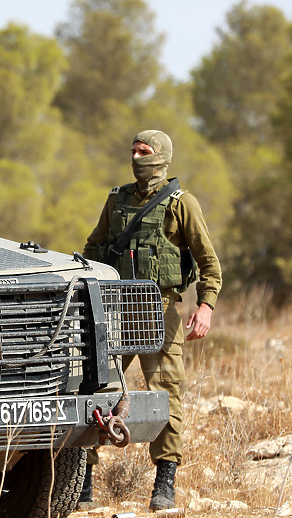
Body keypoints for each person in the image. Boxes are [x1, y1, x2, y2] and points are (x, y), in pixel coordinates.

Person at [79, 129, 222, 511]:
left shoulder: (181, 203)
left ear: (162, 157)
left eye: (145, 151)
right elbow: (93, 247)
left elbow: (209, 263)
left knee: (167, 392)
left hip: (158, 310)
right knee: (96, 388)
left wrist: (205, 305)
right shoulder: (117, 199)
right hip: (114, 309)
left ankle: (165, 480)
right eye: (134, 150)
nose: (137, 157)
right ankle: (85, 480)